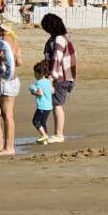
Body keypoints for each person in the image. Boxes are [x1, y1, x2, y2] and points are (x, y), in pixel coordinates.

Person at [41, 14, 76, 143]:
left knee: (57, 105)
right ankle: (57, 133)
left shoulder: (59, 39)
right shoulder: (65, 37)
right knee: (56, 104)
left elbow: (57, 59)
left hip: (61, 77)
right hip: (67, 76)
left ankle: (59, 134)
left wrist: (51, 79)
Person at [0, 18, 20, 155]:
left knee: (7, 115)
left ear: (0, 26)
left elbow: (4, 58)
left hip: (7, 81)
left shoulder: (5, 41)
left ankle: (9, 148)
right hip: (14, 80)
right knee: (9, 115)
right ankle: (8, 146)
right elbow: (19, 61)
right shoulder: (14, 39)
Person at [29, 60, 54, 145]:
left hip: (42, 107)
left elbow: (40, 93)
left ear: (39, 74)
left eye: (35, 73)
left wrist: (33, 91)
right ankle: (45, 140)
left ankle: (44, 135)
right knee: (43, 123)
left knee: (35, 121)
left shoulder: (38, 83)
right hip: (49, 107)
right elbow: (52, 91)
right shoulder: (48, 81)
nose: (34, 75)